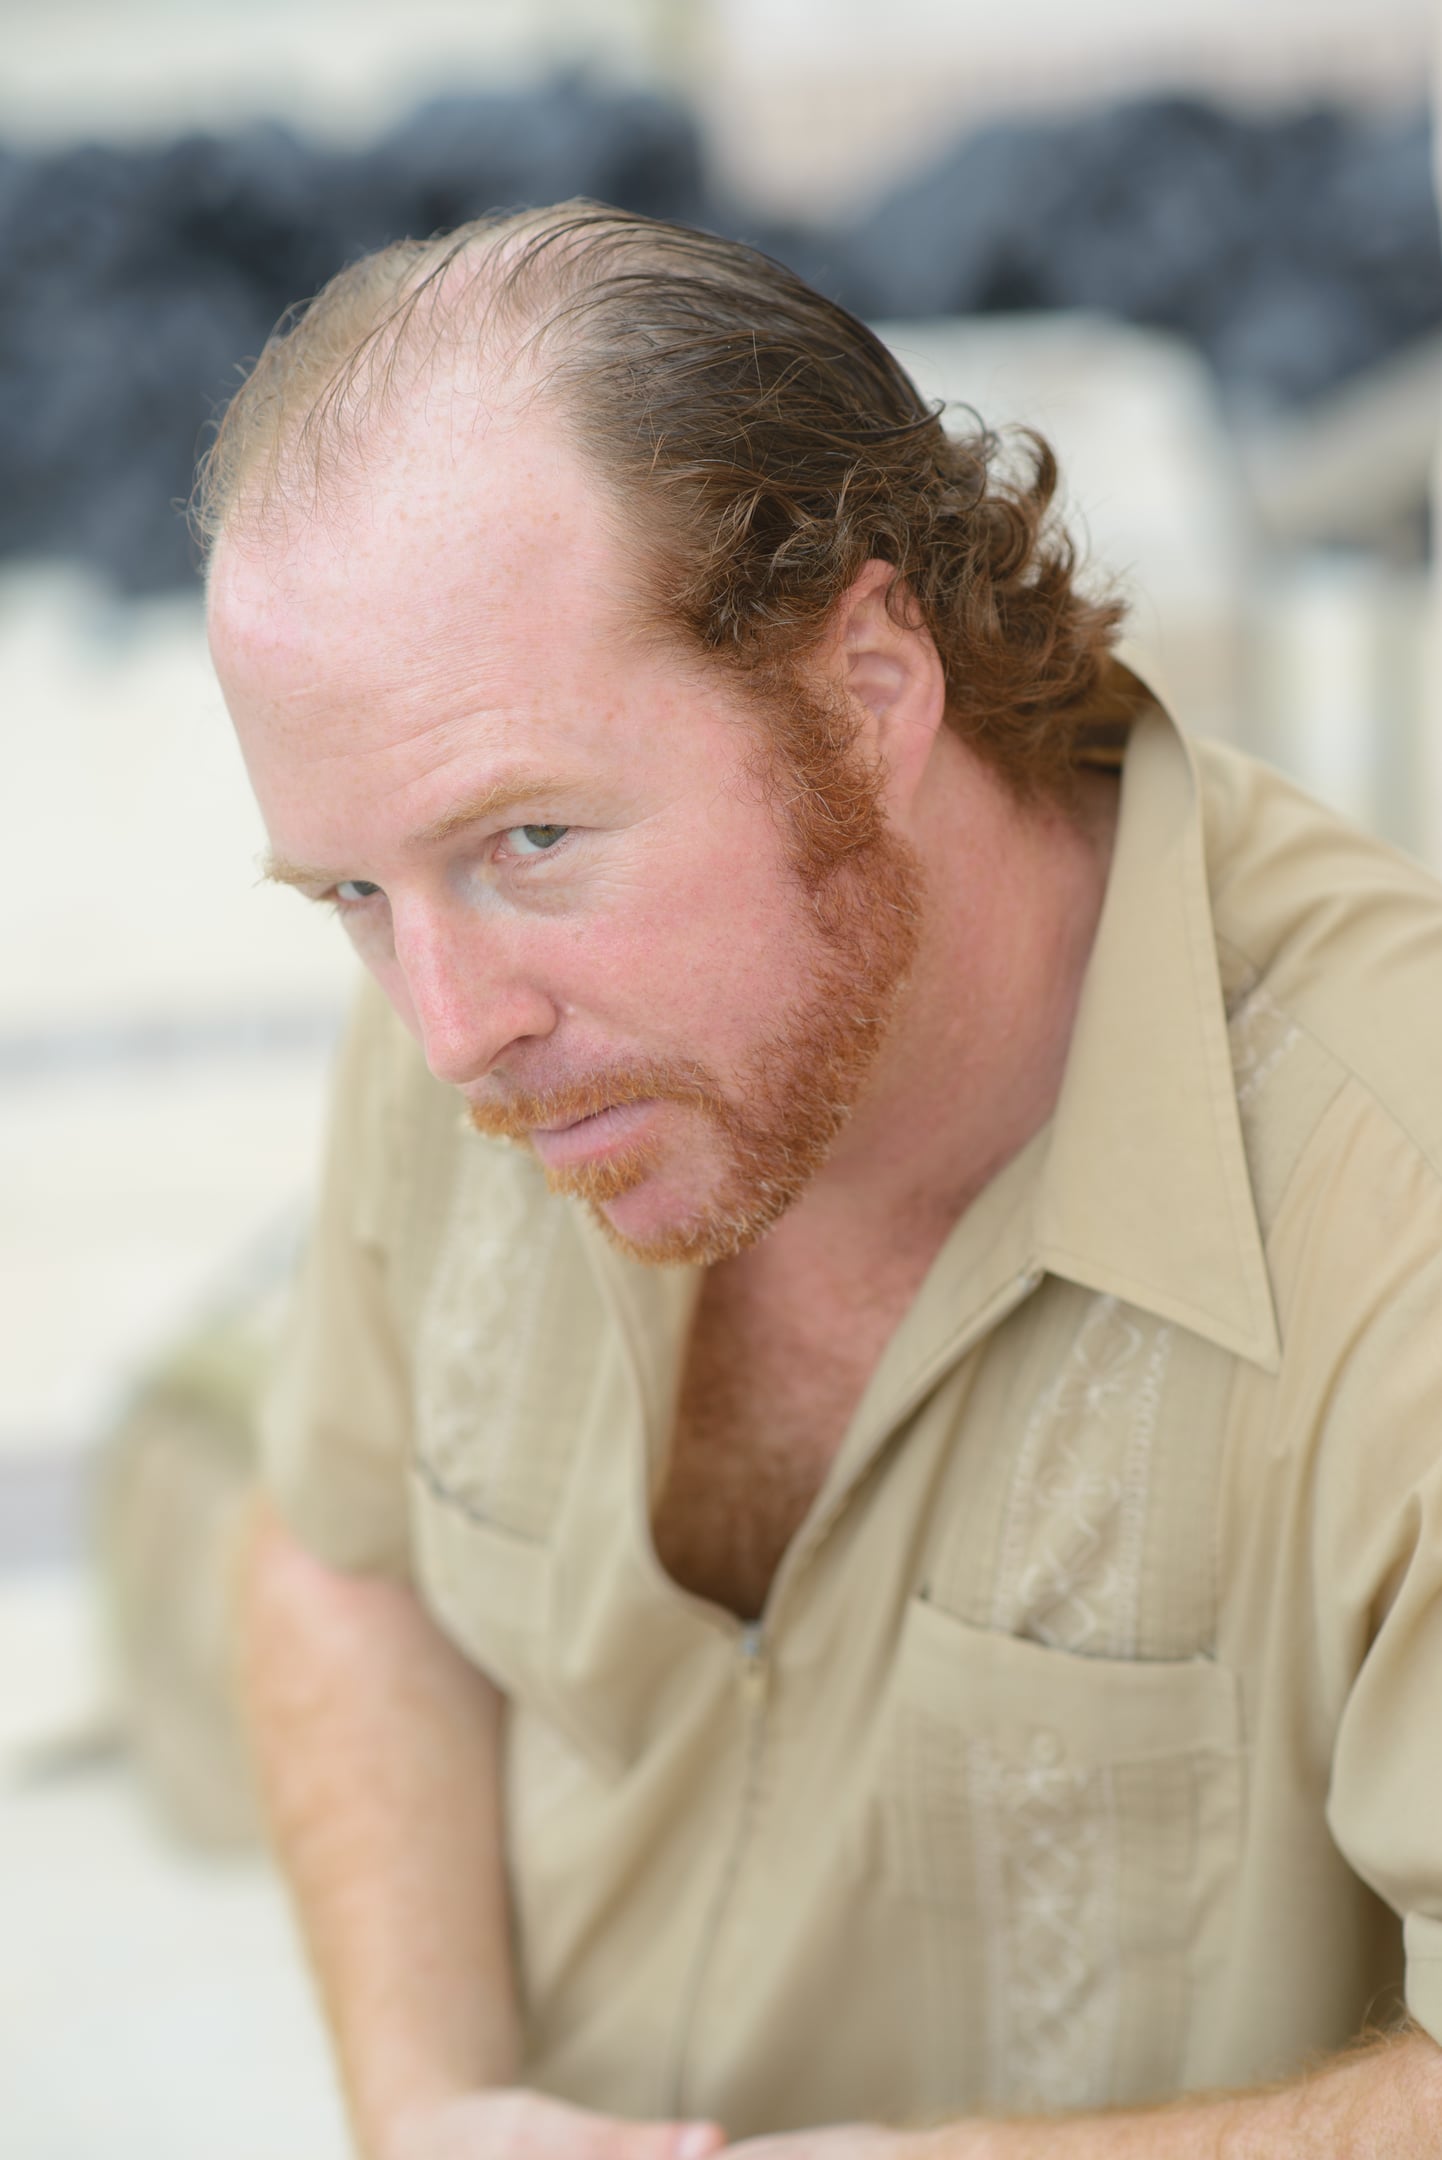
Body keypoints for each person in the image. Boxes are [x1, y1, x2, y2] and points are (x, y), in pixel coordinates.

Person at [203, 205, 1442, 2160]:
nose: (445, 1030)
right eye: (354, 889)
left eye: (532, 840)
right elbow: (345, 1557)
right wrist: (424, 2106)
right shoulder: (495, 999)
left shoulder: (1401, 1213)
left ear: (866, 686)